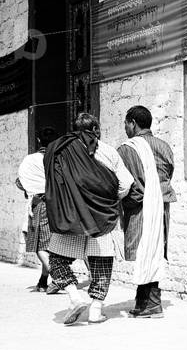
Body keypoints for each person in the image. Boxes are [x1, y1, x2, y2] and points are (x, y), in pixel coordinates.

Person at [44, 113, 134, 325]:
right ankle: (95, 311)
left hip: (71, 215)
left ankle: (74, 297)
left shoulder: (61, 148)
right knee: (102, 263)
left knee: (56, 259)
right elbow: (126, 182)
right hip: (101, 218)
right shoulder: (108, 151)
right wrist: (107, 201)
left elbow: (53, 182)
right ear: (96, 129)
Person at [117, 105, 176, 318]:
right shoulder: (164, 146)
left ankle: (152, 303)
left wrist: (130, 202)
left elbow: (123, 180)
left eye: (126, 123)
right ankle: (143, 299)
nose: (125, 128)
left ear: (132, 123)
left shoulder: (127, 149)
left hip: (141, 205)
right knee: (154, 251)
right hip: (161, 204)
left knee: (145, 251)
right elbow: (169, 172)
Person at [15, 127, 58, 291]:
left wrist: (32, 186)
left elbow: (20, 182)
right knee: (50, 244)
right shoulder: (58, 159)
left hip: (40, 204)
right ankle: (43, 280)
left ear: (39, 140)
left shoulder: (30, 160)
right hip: (58, 204)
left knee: (40, 245)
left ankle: (60, 276)